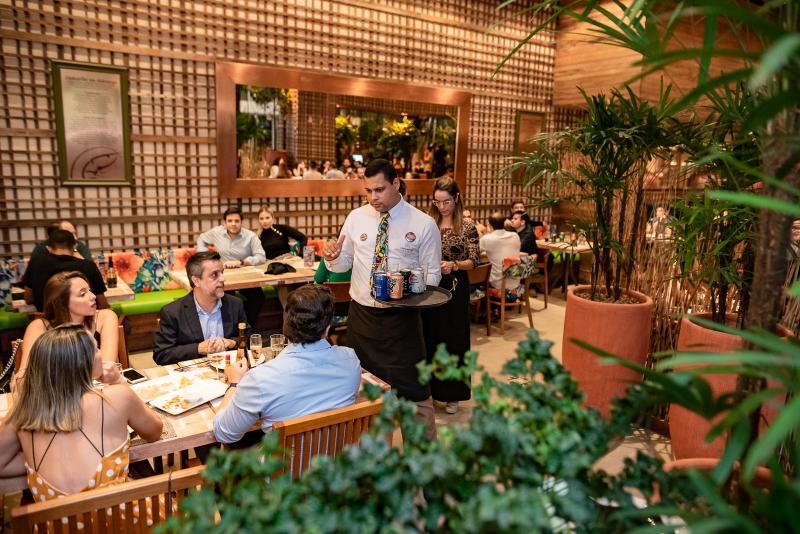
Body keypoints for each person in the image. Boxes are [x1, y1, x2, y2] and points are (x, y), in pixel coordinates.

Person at [323, 159, 442, 440]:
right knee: (365, 394)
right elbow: (343, 263)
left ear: (396, 184)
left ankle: (425, 461)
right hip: (362, 319)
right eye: (368, 191)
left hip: (403, 320)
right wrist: (333, 257)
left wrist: (404, 290)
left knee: (415, 395)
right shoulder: (356, 218)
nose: (373, 197)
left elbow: (433, 275)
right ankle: (373, 457)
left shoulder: (423, 224)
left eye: (379, 190)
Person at [0, 325, 162, 496]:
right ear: (82, 362)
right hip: (122, 511)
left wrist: (40, 462)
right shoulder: (118, 397)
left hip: (56, 514)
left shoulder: (24, 411)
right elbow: (154, 431)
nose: (101, 353)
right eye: (96, 349)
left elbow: (2, 464)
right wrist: (119, 381)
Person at [213, 284, 361, 444]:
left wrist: (234, 384)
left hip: (286, 460)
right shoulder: (351, 361)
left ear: (286, 324)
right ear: (327, 329)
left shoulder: (260, 379)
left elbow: (224, 434)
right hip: (338, 457)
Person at [423, 177, 479, 415]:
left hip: (455, 285)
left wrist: (455, 264)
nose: (442, 207)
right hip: (431, 285)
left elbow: (474, 260)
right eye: (437, 202)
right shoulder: (429, 222)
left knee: (454, 339)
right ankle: (430, 391)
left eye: (446, 201)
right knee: (430, 337)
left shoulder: (466, 226)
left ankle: (453, 395)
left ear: (456, 198)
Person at [16, 272, 120, 388]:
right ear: (62, 302)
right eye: (82, 294)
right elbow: (24, 377)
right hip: (57, 396)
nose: (93, 296)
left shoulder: (105, 317)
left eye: (89, 290)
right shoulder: (38, 327)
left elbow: (106, 369)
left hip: (98, 390)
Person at [153, 251, 250, 365]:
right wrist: (198, 348)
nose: (223, 279)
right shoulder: (172, 312)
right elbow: (161, 354)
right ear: (196, 281)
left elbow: (248, 338)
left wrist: (232, 342)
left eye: (222, 272)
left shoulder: (235, 304)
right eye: (214, 275)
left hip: (230, 369)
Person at [197, 206, 266, 327]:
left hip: (245, 276)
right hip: (222, 276)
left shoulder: (250, 236)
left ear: (241, 222)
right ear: (225, 222)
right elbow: (201, 239)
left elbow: (261, 256)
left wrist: (242, 261)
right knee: (228, 300)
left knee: (258, 298)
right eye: (230, 221)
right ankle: (232, 330)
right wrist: (206, 257)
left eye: (237, 221)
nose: (233, 224)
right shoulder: (217, 232)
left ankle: (245, 327)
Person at [24, 229, 107, 312]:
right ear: (75, 246)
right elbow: (102, 303)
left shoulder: (36, 264)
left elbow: (28, 298)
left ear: (48, 248)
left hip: (47, 319)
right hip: (83, 319)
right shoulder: (88, 266)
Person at [480, 211, 522, 294]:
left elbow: (474, 253)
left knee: (475, 278)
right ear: (503, 224)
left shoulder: (487, 238)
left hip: (497, 285)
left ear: (489, 225)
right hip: (516, 283)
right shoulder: (515, 235)